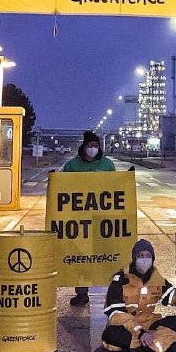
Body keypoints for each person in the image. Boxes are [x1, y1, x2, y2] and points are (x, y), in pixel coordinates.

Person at [100, 239, 176, 352]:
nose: (144, 259)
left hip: (149, 325)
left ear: (153, 258)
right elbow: (115, 316)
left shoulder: (156, 279)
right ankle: (159, 345)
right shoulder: (120, 280)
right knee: (110, 334)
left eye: (148, 256)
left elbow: (174, 298)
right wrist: (139, 332)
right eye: (140, 256)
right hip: (127, 327)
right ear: (134, 258)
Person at [61, 130, 116, 306]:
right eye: (90, 145)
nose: (93, 148)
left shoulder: (107, 165)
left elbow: (117, 187)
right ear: (84, 147)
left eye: (96, 145)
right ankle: (81, 293)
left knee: (105, 256)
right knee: (80, 256)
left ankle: (113, 293)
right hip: (78, 220)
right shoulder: (72, 166)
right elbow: (61, 186)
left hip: (102, 219)